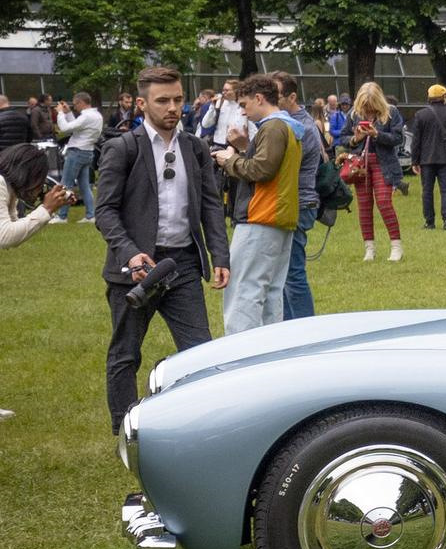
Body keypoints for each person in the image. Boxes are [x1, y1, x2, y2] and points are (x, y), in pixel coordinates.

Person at [95, 66, 230, 434]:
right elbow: (105, 211)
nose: (173, 107)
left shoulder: (195, 147)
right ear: (142, 104)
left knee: (200, 352)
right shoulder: (122, 148)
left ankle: (204, 425)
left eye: (178, 99)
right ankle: (126, 430)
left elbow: (210, 205)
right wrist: (129, 253)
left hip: (181, 264)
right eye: (162, 101)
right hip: (135, 269)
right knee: (126, 354)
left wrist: (220, 255)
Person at [211, 72, 302, 335]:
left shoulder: (272, 127)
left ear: (259, 98)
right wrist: (243, 150)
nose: (242, 111)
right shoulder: (288, 126)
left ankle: (241, 351)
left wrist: (229, 160)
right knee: (270, 293)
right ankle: (269, 350)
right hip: (279, 218)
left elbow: (261, 170)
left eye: (244, 104)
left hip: (261, 218)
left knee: (243, 291)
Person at [269, 70, 325, 319]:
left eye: (276, 96)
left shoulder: (302, 128)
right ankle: (288, 327)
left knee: (292, 274)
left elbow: (280, 167)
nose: (269, 100)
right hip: (291, 203)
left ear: (292, 97)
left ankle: (304, 329)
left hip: (299, 204)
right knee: (281, 275)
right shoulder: (284, 123)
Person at [339, 82, 405, 262]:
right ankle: (369, 249)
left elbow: (398, 138)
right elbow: (343, 138)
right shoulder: (353, 114)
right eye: (365, 107)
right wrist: (355, 139)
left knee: (384, 203)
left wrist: (377, 135)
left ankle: (396, 246)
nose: (368, 111)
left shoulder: (391, 112)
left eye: (371, 107)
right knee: (364, 206)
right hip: (360, 166)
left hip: (383, 164)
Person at [409, 83, 446, 230]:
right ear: (444, 97)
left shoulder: (420, 115)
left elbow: (416, 141)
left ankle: (429, 221)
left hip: (426, 160)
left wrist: (415, 161)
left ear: (429, 97)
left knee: (427, 191)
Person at [1, 144, 70, 247]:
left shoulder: (9, 186)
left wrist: (50, 207)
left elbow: (14, 229)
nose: (40, 186)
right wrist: (46, 209)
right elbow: (5, 237)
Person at [54, 92, 103, 223]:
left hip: (77, 152)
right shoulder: (96, 115)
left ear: (81, 102)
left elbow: (65, 128)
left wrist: (60, 113)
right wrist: (68, 113)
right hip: (87, 152)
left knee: (66, 184)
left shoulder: (87, 116)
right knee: (84, 186)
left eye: (75, 104)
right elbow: (76, 127)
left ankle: (62, 216)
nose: (74, 107)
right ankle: (91, 215)